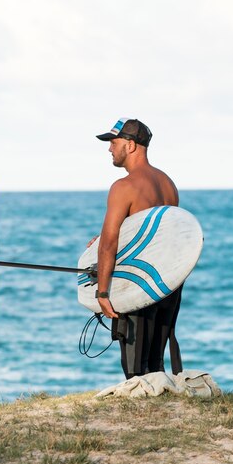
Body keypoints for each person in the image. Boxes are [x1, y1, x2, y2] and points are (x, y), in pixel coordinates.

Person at [91, 117, 183, 378]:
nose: (110, 149)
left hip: (138, 284)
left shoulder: (124, 187)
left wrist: (103, 292)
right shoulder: (167, 183)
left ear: (130, 145)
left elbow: (110, 243)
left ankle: (143, 415)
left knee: (135, 371)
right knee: (156, 364)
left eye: (113, 142)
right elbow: (150, 232)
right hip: (167, 284)